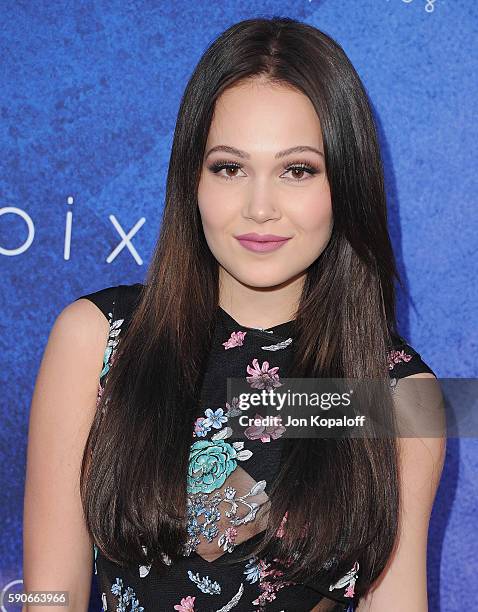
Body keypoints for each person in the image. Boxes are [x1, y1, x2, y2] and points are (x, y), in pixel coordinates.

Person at [23, 16, 446, 612]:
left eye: (297, 170)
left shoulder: (397, 396)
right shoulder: (97, 341)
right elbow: (48, 592)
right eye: (230, 167)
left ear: (343, 184)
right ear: (192, 179)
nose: (260, 207)